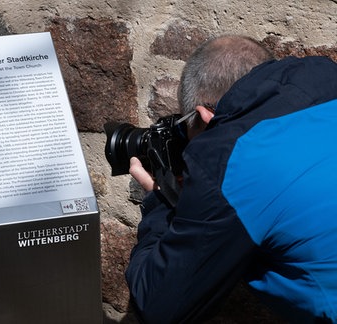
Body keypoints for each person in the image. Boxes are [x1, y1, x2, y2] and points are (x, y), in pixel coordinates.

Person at [125, 35, 337, 323]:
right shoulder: (326, 77)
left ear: (203, 115)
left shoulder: (227, 159)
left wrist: (163, 200)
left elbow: (159, 307)